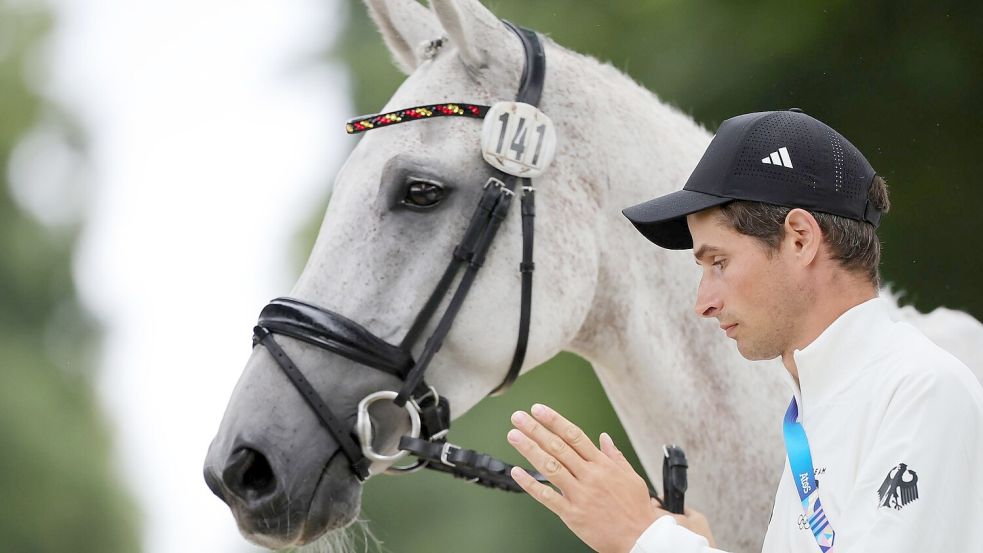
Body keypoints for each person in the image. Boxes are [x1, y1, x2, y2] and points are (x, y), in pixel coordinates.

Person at [506, 109, 983, 552]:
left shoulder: (923, 389)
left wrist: (647, 537)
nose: (703, 302)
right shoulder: (820, 405)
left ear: (800, 238)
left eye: (719, 261)